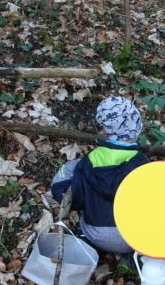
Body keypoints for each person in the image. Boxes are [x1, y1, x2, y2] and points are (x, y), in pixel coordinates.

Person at [51, 96, 149, 254]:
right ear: (136, 128)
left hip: (96, 235)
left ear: (106, 130)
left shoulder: (89, 162)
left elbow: (74, 197)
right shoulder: (143, 166)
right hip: (134, 239)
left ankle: (83, 237)